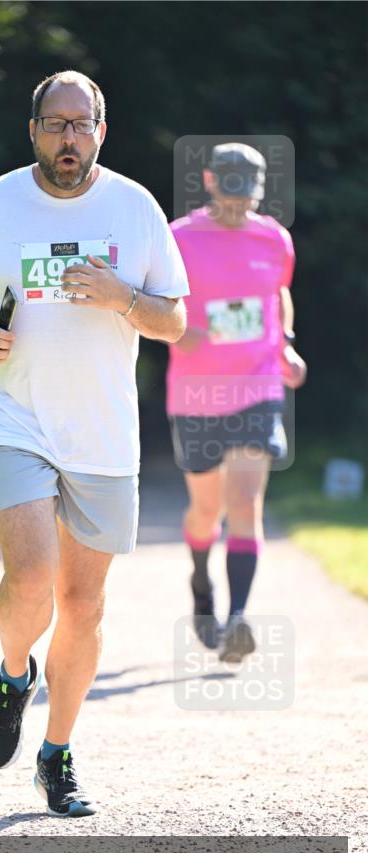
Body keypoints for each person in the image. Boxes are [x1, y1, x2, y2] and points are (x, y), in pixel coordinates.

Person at [0, 71, 188, 817]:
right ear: (32, 129)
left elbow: (171, 321)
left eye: (81, 124)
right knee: (33, 575)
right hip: (15, 417)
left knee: (83, 604)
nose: (67, 138)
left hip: (102, 431)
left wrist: (122, 299)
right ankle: (14, 675)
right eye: (54, 124)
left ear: (100, 130)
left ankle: (56, 753)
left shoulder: (134, 207)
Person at [167, 143, 307, 661]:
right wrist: (177, 332)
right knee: (206, 511)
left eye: (246, 195)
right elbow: (158, 301)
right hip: (196, 391)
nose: (237, 205)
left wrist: (287, 343)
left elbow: (279, 294)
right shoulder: (179, 237)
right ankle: (202, 584)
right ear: (208, 181)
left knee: (245, 503)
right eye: (229, 192)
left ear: (259, 189)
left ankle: (238, 619)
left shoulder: (274, 239)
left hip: (258, 385)